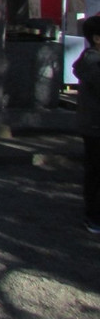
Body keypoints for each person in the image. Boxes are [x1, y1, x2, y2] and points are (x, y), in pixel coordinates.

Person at [74, 15, 100, 233]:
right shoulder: (94, 62)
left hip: (92, 124)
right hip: (95, 125)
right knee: (95, 172)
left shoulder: (90, 60)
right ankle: (94, 216)